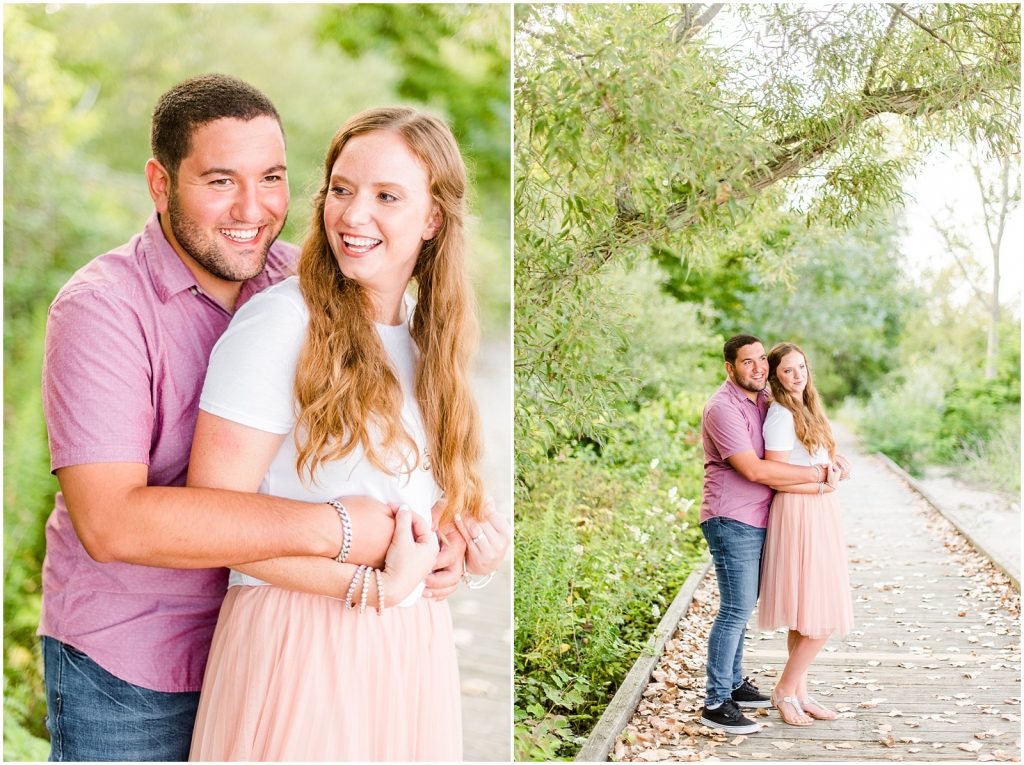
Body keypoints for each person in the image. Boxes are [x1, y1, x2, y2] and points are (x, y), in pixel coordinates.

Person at [37, 75, 488, 762]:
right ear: (160, 185)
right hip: (135, 659)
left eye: (272, 177)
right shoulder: (102, 310)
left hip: (283, 631)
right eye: (220, 180)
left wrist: (435, 545)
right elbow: (110, 521)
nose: (253, 208)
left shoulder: (302, 281)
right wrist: (347, 535)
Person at [187, 106, 504, 761]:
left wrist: (462, 549)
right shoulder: (281, 325)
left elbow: (419, 502)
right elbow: (209, 524)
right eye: (341, 189)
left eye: (386, 196)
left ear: (433, 218)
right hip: (299, 645)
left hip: (407, 651)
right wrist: (368, 585)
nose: (353, 215)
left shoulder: (429, 340)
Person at [698, 334, 846, 735]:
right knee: (736, 607)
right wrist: (819, 477)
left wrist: (828, 461)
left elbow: (800, 447)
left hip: (764, 516)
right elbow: (756, 471)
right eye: (748, 362)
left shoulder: (764, 400)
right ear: (730, 368)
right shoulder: (722, 408)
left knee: (745, 605)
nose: (758, 367)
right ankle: (715, 701)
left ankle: (736, 683)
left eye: (762, 359)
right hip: (732, 516)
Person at [757, 342, 854, 725]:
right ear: (777, 378)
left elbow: (812, 461)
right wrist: (820, 486)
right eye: (788, 371)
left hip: (819, 511)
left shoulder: (808, 409)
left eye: (801, 368)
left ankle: (799, 692)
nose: (798, 376)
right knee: (823, 613)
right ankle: (783, 689)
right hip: (800, 513)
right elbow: (776, 478)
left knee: (806, 613)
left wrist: (835, 465)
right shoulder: (780, 415)